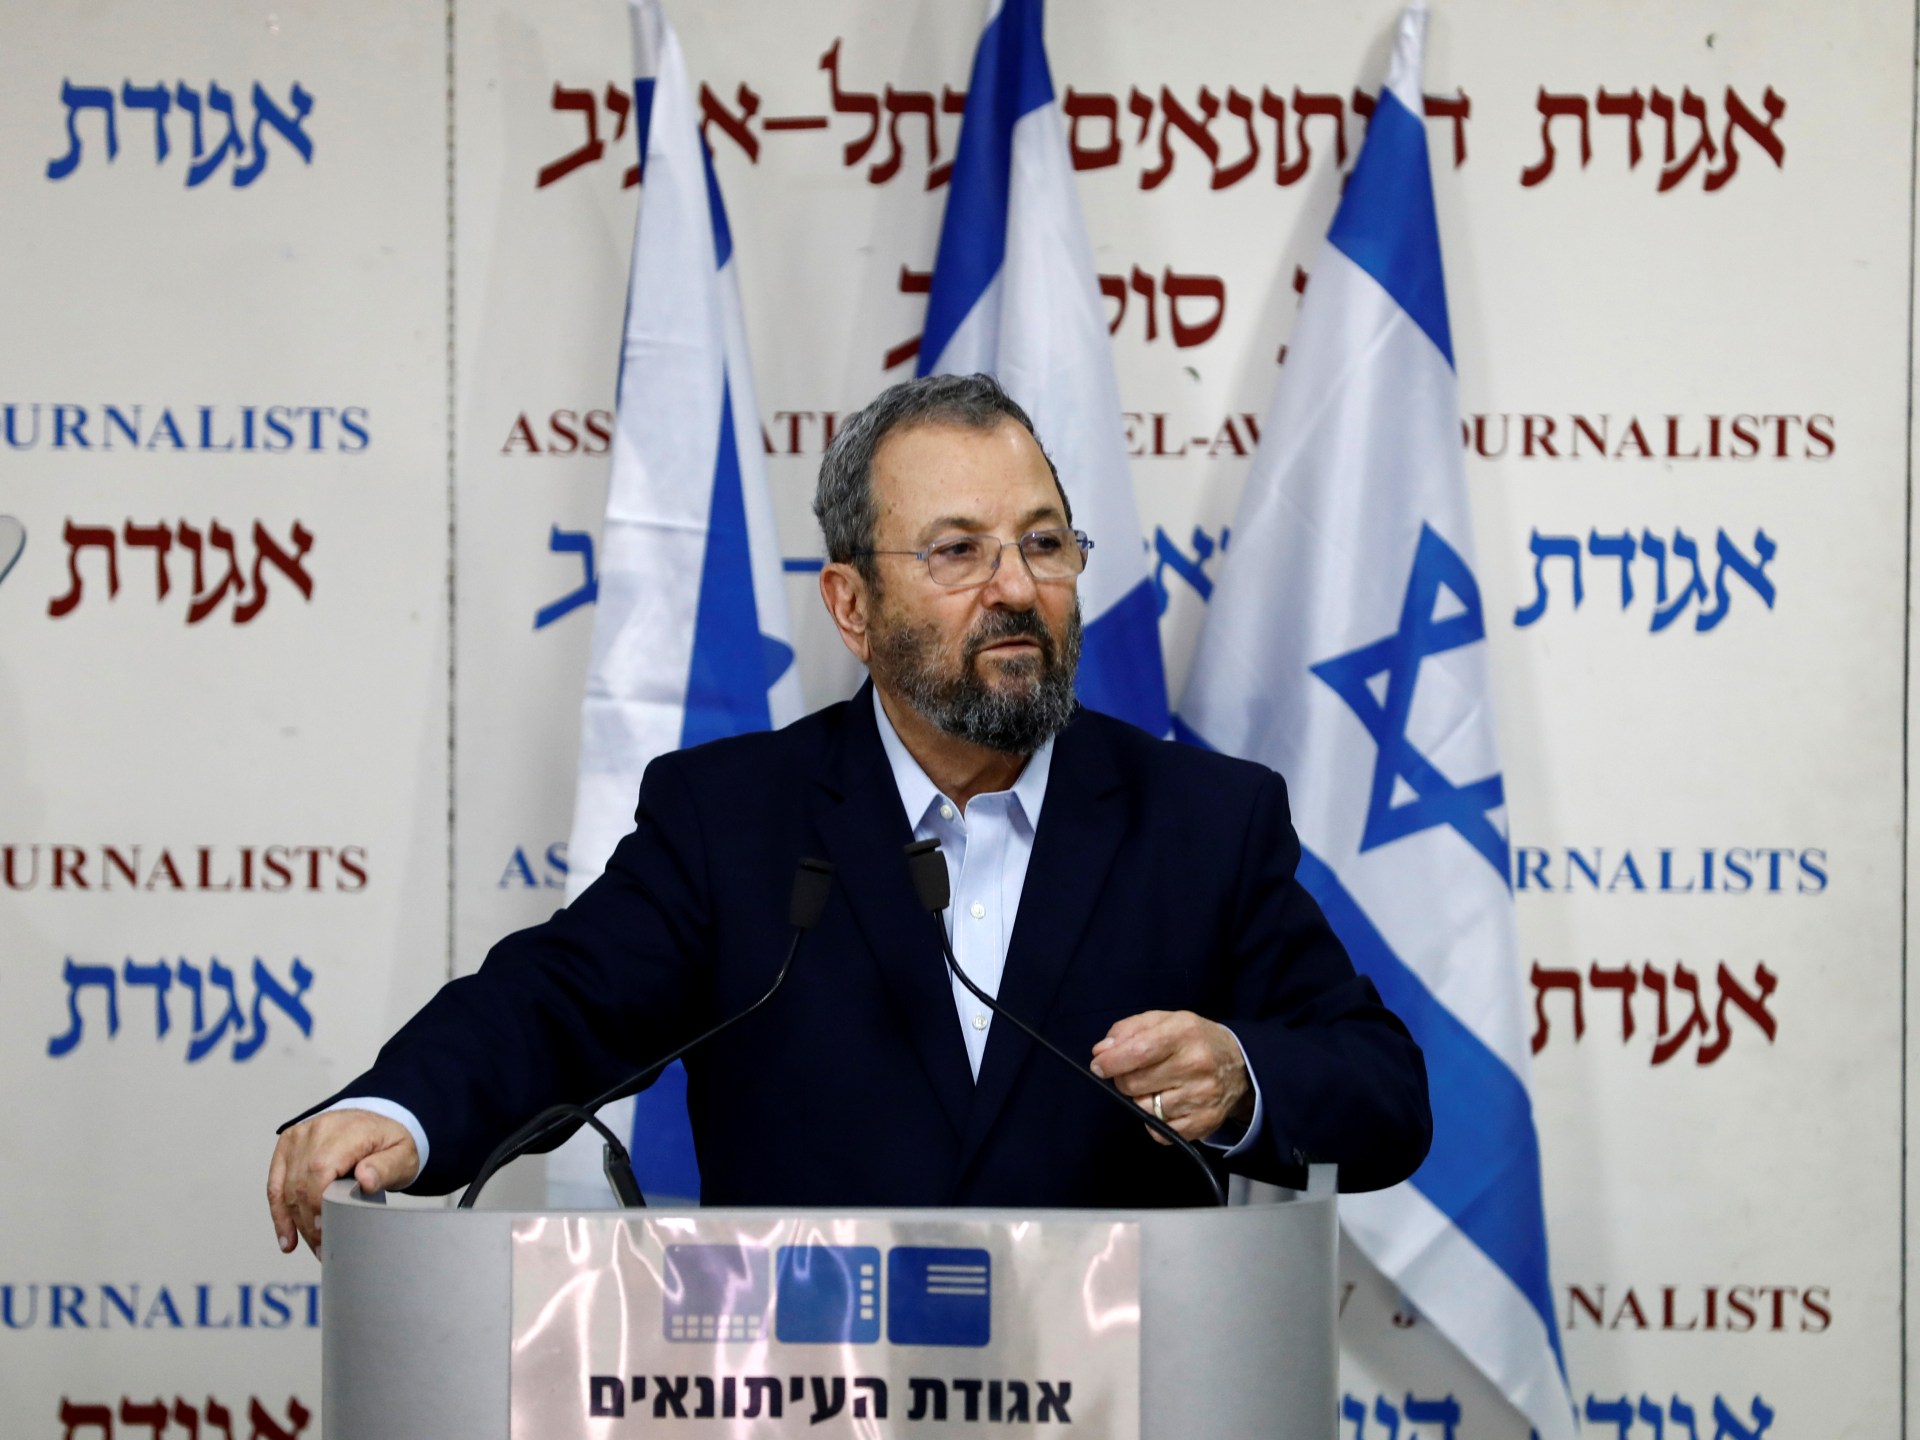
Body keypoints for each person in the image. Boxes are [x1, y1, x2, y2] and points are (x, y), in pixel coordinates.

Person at [268, 374, 1430, 1256]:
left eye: (1043, 544)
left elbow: (1382, 1085)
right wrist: (401, 1110)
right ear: (852, 605)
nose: (1017, 587)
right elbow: (556, 1003)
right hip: (809, 1391)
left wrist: (1242, 1075)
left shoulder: (1201, 821)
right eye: (958, 552)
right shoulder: (733, 819)